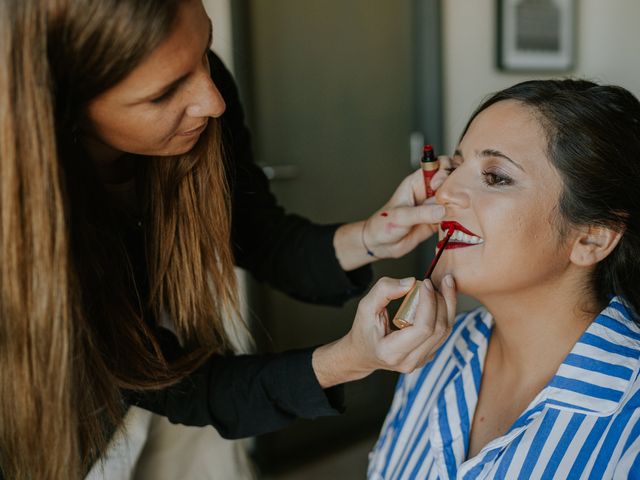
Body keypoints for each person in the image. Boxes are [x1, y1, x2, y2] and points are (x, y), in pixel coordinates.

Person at [0, 1, 457, 479]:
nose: (212, 100)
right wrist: (349, 359)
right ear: (60, 107)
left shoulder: (205, 93)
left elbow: (259, 235)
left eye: (206, 49)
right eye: (165, 93)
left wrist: (371, 236)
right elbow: (182, 385)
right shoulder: (30, 223)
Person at [368, 79, 640, 479]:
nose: (444, 194)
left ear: (592, 237)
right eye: (455, 166)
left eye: (496, 177)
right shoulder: (432, 350)